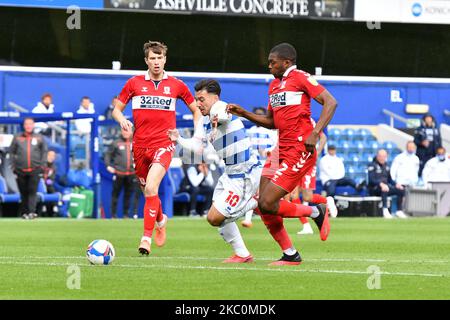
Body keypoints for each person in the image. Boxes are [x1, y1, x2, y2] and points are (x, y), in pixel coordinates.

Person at [227, 43, 337, 265]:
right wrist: (244, 113)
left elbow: (331, 102)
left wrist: (316, 133)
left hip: (299, 149)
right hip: (280, 150)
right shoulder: (274, 86)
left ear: (286, 62)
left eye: (272, 62)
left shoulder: (300, 77)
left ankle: (316, 211)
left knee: (268, 202)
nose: (269, 66)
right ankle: (290, 254)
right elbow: (271, 122)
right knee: (262, 205)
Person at [113, 40, 201, 255]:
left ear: (165, 59)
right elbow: (116, 109)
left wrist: (197, 135)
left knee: (152, 188)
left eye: (159, 58)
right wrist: (122, 120)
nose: (156, 62)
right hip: (140, 145)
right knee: (147, 192)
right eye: (152, 58)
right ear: (146, 60)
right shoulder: (134, 83)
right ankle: (161, 220)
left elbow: (196, 110)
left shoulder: (177, 85)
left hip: (163, 144)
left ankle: (146, 239)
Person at [290, 119, 336, 236]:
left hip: (307, 162)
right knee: (293, 195)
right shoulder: (292, 118)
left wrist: (317, 153)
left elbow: (323, 137)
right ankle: (306, 226)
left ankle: (327, 201)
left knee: (307, 197)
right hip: (295, 161)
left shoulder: (309, 121)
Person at [242, 107, 278, 227]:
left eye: (260, 115)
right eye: (256, 115)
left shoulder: (270, 131)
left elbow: (277, 145)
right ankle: (248, 218)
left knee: (262, 192)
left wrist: (268, 151)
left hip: (267, 164)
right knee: (252, 189)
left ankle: (254, 217)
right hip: (253, 165)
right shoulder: (249, 132)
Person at [9, 118, 48, 219]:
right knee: (23, 191)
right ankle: (24, 212)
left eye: (30, 124)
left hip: (35, 169)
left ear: (33, 125)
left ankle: (31, 212)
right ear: (24, 125)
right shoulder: (17, 137)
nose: (28, 126)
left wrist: (42, 165)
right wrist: (13, 165)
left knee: (32, 191)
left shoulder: (39, 137)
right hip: (20, 169)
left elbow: (44, 152)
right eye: (26, 124)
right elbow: (11, 152)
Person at [104, 128, 136, 219]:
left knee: (128, 195)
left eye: (128, 131)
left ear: (131, 132)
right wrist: (108, 166)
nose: (126, 133)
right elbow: (107, 154)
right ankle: (113, 215)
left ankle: (126, 214)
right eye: (124, 130)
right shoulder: (116, 143)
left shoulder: (135, 143)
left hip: (131, 173)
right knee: (115, 194)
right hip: (119, 173)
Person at [368, 149, 407, 219]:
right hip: (375, 188)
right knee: (384, 189)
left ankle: (399, 210)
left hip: (386, 187)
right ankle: (385, 209)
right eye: (380, 156)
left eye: (384, 156)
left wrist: (396, 184)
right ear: (377, 156)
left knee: (401, 190)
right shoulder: (372, 165)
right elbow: (371, 180)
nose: (382, 158)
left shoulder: (386, 166)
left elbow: (390, 180)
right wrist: (380, 184)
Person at [42, 150, 59, 217]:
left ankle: (55, 209)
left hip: (48, 185)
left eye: (53, 156)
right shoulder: (42, 164)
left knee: (51, 189)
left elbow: (52, 178)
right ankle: (43, 209)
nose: (52, 157)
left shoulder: (53, 167)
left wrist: (48, 181)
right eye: (50, 155)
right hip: (39, 184)